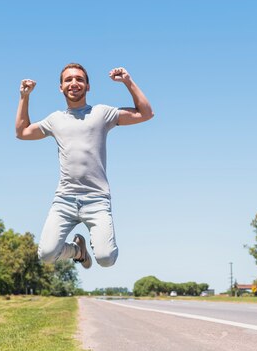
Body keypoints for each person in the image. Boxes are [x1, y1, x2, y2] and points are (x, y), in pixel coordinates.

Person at [15, 63, 153, 269]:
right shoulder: (55, 120)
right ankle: (78, 251)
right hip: (65, 200)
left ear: (88, 87)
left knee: (106, 259)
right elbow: (22, 132)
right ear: (61, 87)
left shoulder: (101, 113)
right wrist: (24, 97)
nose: (74, 83)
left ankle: (91, 250)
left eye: (79, 79)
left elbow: (146, 113)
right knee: (46, 254)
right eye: (68, 80)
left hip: (96, 200)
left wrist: (127, 81)